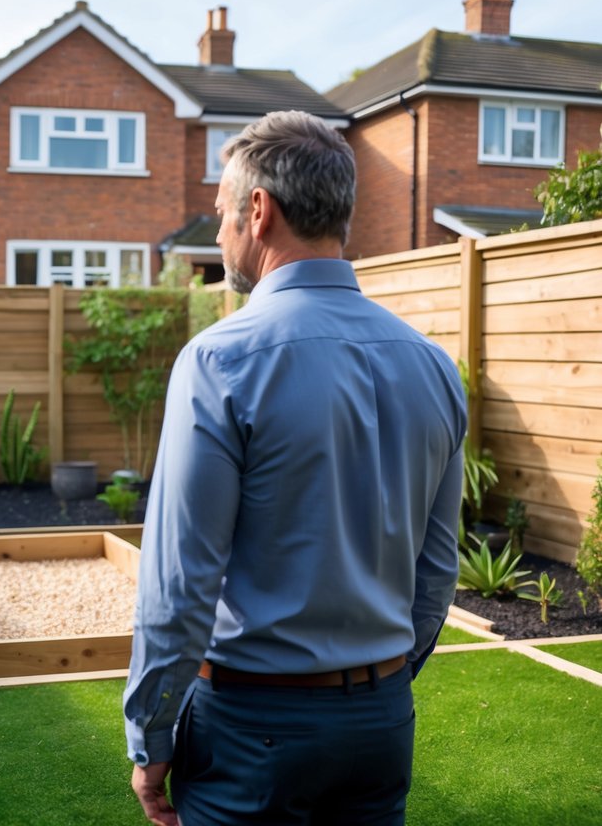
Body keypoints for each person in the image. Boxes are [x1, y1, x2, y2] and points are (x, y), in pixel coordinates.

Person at [123, 110, 465, 825]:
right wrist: (383, 683)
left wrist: (151, 735)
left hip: (252, 728)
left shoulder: (218, 360)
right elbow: (436, 570)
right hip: (380, 723)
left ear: (258, 210)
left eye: (220, 212)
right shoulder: (433, 365)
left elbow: (180, 581)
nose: (217, 234)